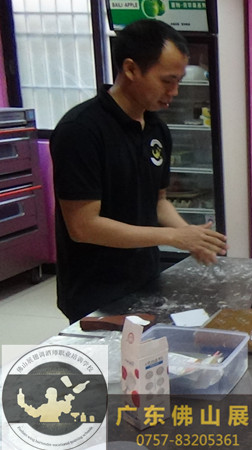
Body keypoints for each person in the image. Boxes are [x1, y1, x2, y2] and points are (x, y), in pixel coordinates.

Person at [50, 19, 228, 323]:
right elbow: (83, 226)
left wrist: (190, 236)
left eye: (179, 81)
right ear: (131, 69)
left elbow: (158, 201)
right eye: (167, 81)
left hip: (145, 281)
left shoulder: (157, 129)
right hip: (95, 292)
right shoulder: (80, 130)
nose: (174, 91)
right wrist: (175, 237)